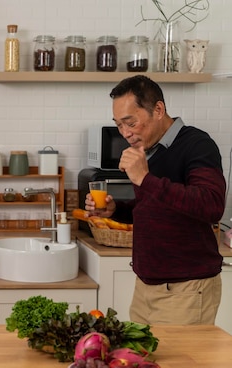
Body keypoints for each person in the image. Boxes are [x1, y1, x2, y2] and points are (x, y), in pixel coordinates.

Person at [85, 75, 225, 325]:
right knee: (140, 363)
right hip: (145, 288)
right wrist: (116, 210)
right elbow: (154, 207)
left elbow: (212, 205)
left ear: (158, 109)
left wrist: (145, 178)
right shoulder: (150, 150)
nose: (125, 133)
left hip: (187, 289)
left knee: (180, 365)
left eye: (131, 122)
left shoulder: (197, 144)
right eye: (118, 125)